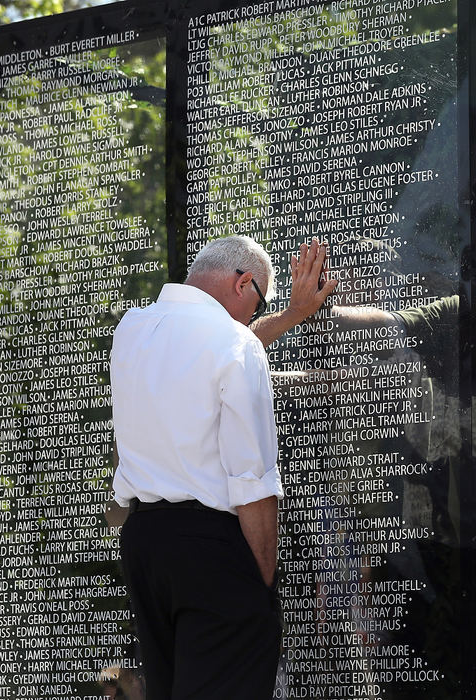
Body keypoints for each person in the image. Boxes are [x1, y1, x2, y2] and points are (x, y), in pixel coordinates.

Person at [110, 235, 335, 700]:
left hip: (145, 547)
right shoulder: (231, 344)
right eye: (260, 302)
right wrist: (262, 585)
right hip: (212, 551)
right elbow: (251, 481)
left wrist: (291, 315)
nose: (255, 313)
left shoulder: (133, 329)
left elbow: (214, 348)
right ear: (244, 283)